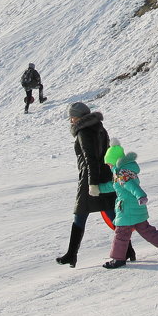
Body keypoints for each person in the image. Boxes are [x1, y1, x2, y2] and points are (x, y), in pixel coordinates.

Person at [56, 102, 130, 268]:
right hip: (103, 175)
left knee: (80, 215)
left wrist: (92, 183)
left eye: (72, 117)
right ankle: (127, 250)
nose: (70, 120)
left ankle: (71, 254)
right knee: (111, 213)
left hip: (90, 179)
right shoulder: (99, 127)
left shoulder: (83, 132)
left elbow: (90, 159)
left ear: (79, 117)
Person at [101, 142, 158, 268]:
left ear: (114, 161)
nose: (108, 165)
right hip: (135, 208)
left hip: (128, 209)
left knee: (121, 233)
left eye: (109, 163)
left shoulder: (122, 174)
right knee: (145, 229)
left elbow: (132, 186)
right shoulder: (122, 172)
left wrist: (141, 196)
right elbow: (114, 185)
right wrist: (99, 189)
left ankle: (118, 259)